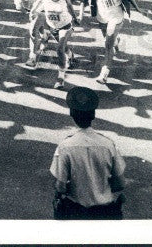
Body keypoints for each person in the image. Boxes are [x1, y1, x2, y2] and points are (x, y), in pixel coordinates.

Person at [50, 86, 126, 219]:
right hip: (105, 212)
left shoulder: (65, 147)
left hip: (75, 211)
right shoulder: (108, 145)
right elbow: (120, 184)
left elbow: (61, 186)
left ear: (71, 114)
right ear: (93, 115)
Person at [82, 0, 140, 83]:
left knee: (107, 45)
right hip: (102, 16)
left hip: (116, 16)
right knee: (109, 40)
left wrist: (138, 9)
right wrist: (80, 14)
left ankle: (104, 73)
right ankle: (116, 41)